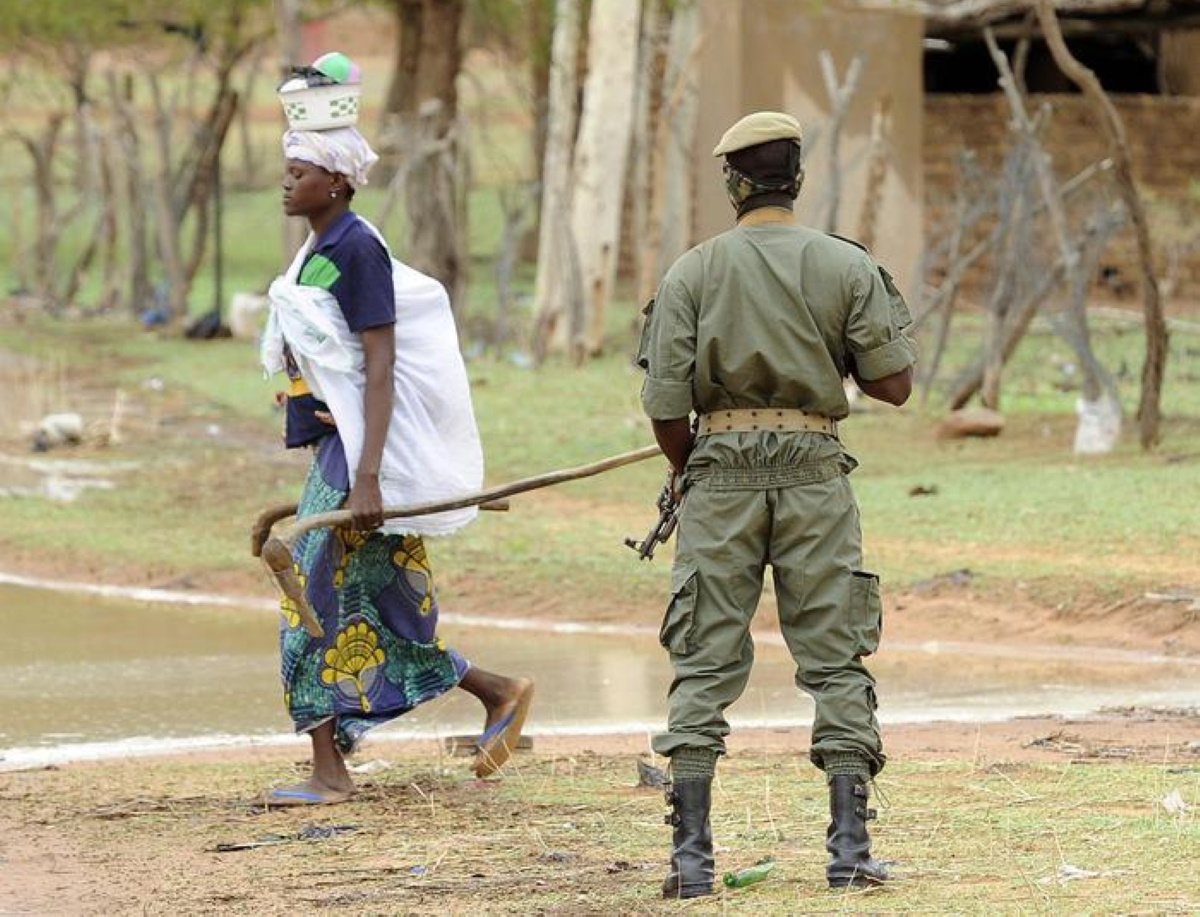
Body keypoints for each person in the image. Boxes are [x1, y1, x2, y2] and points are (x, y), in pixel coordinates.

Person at [635, 111, 917, 896]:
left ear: (733, 182)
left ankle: (691, 863)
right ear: (796, 179)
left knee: (702, 655)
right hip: (815, 473)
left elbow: (664, 405)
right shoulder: (843, 264)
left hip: (718, 471)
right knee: (834, 653)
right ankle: (849, 853)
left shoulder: (692, 271)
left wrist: (691, 467)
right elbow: (894, 384)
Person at [260, 52, 533, 806]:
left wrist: (371, 473)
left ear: (338, 181)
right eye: (287, 167)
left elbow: (379, 367)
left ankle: (329, 770)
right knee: (382, 607)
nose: (287, 180)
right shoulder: (319, 250)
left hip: (358, 464)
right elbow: (333, 363)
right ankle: (499, 690)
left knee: (306, 606)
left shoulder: (356, 248)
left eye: (301, 169)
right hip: (338, 450)